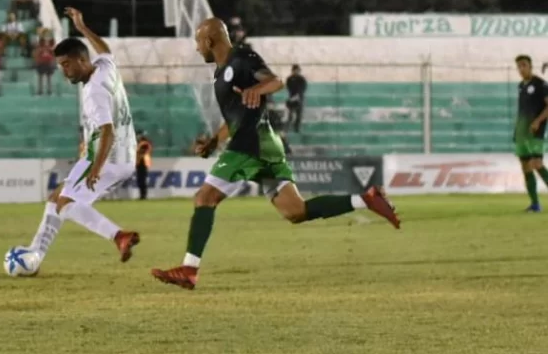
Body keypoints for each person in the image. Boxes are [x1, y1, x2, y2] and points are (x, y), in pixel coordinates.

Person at [150, 17, 401, 290]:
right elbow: (235, 119)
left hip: (251, 143)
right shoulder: (220, 74)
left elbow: (275, 81)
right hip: (263, 143)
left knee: (204, 198)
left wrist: (256, 89)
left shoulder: (242, 57)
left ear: (209, 41)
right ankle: (366, 199)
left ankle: (189, 270)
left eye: (198, 42)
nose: (197, 48)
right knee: (296, 211)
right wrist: (213, 141)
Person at [25, 7, 139, 271]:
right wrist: (83, 28)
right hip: (124, 156)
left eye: (67, 64)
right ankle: (34, 255)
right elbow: (105, 51)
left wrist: (96, 169)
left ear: (81, 60)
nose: (64, 71)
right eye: (60, 66)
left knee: (65, 204)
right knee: (56, 198)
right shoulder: (105, 67)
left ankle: (119, 236)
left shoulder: (93, 92)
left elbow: (107, 131)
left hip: (106, 158)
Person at [514, 55, 548, 213]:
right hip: (522, 132)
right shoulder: (521, 86)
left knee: (537, 164)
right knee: (525, 166)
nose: (521, 69)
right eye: (519, 66)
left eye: (524, 65)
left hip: (535, 131)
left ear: (530, 66)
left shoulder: (540, 84)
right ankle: (535, 204)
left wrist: (538, 121)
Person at [285, 64, 307, 132]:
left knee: (299, 115)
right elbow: (289, 88)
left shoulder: (302, 79)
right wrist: (292, 97)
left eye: (298, 70)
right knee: (290, 114)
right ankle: (288, 128)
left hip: (300, 98)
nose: (296, 72)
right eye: (295, 70)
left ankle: (297, 128)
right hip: (292, 98)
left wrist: (298, 95)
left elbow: (303, 89)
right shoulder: (289, 79)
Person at [136, 131, 152, 200]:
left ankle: (143, 195)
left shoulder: (144, 143)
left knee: (142, 180)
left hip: (143, 162)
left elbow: (142, 152)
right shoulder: (141, 143)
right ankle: (142, 195)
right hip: (140, 163)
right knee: (140, 180)